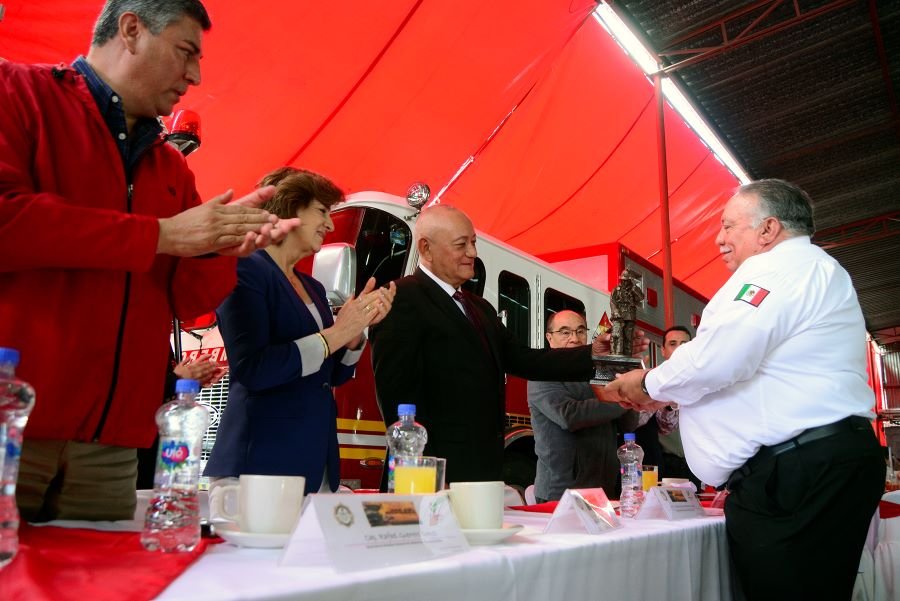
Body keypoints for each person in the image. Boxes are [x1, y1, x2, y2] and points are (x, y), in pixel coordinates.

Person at [0, 0, 299, 522]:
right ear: (132, 30)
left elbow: (186, 301)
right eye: (186, 52)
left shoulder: (169, 166)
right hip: (13, 425)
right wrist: (159, 234)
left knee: (104, 584)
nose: (196, 75)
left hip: (114, 446)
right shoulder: (17, 93)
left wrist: (216, 247)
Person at [605, 179, 884, 601]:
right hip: (815, 463)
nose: (719, 239)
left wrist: (648, 383)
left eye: (729, 226)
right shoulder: (814, 269)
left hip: (797, 472)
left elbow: (723, 355)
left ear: (768, 230)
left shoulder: (777, 269)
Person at [370, 204, 638, 486]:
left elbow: (523, 359)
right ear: (425, 249)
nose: (472, 253)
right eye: (461, 245)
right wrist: (422, 472)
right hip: (435, 470)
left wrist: (593, 352)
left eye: (473, 243)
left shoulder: (479, 307)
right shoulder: (401, 299)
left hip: (482, 465)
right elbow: (395, 394)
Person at [204, 167, 395, 495]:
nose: (331, 224)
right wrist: (335, 334)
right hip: (260, 464)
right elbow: (253, 369)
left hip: (315, 463)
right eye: (322, 211)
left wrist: (354, 333)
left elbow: (330, 375)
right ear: (289, 207)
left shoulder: (315, 288)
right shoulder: (244, 268)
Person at [527, 310, 639, 502]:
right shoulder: (542, 373)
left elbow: (627, 425)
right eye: (565, 332)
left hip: (604, 488)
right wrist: (623, 398)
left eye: (580, 331)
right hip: (562, 491)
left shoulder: (600, 371)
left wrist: (628, 387)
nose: (574, 338)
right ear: (549, 338)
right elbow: (569, 416)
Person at [654, 326, 701, 489]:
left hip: (697, 462)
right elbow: (664, 426)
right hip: (667, 462)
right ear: (663, 350)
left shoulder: (704, 381)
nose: (679, 349)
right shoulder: (654, 381)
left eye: (684, 344)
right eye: (673, 344)